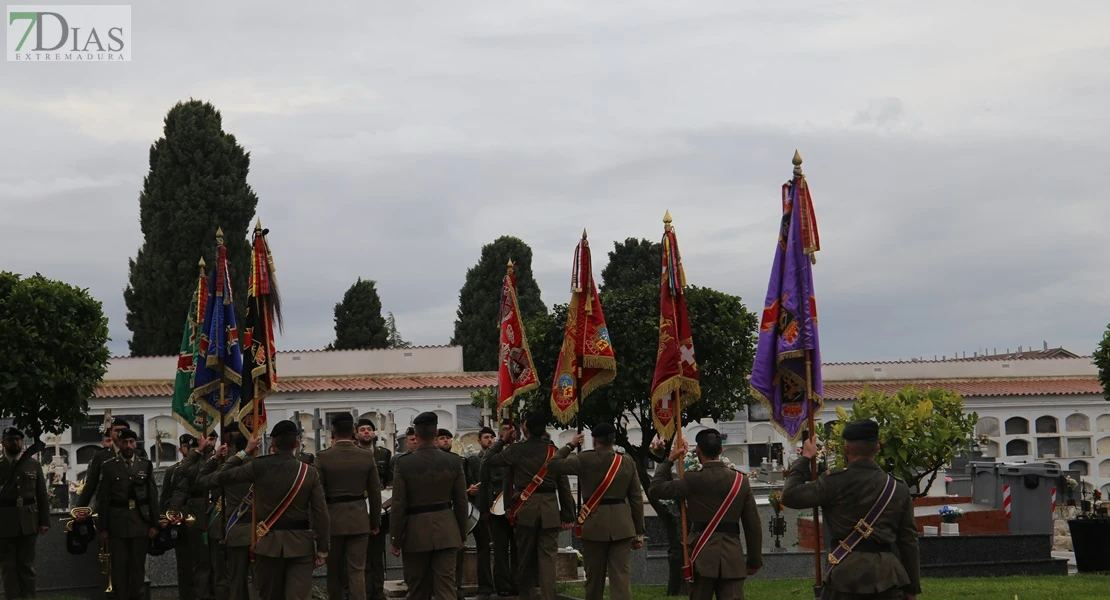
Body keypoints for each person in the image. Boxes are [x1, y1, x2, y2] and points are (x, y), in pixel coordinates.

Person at [781, 420, 921, 600]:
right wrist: (912, 588)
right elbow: (908, 540)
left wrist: (805, 458)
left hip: (844, 574)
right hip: (887, 577)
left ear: (847, 448)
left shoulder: (833, 482)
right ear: (877, 448)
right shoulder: (897, 488)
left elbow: (790, 495)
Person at [215, 420, 330, 600]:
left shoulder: (258, 466)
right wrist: (322, 549)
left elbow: (222, 476)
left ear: (273, 443)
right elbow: (321, 513)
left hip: (266, 543)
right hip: (300, 545)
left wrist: (243, 452)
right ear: (297, 443)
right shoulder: (309, 472)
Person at [650, 429, 762, 600]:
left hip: (701, 556)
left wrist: (670, 459)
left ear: (698, 452)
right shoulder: (741, 481)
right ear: (721, 450)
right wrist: (754, 560)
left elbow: (656, 489)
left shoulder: (691, 479)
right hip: (732, 557)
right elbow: (753, 525)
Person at [547, 423, 645, 600]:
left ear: (594, 440)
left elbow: (553, 465)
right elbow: (636, 498)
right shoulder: (627, 461)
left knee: (594, 580)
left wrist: (571, 445)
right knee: (621, 579)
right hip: (622, 526)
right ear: (613, 440)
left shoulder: (584, 459)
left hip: (593, 524)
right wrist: (639, 532)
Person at [483, 414, 574, 600]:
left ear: (525, 427)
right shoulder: (553, 450)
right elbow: (563, 485)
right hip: (549, 509)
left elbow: (488, 461)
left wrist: (502, 440)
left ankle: (527, 596)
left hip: (526, 509)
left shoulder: (516, 450)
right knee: (548, 560)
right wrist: (567, 515)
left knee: (525, 559)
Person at [390, 412, 469, 600]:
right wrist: (461, 534)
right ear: (436, 432)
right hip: (447, 530)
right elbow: (461, 501)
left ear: (415, 434)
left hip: (415, 533)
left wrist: (395, 538)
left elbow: (398, 503)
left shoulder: (404, 463)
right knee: (446, 588)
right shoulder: (453, 461)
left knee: (417, 588)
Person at [318, 413, 382, 600]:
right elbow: (375, 492)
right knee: (357, 571)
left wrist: (317, 525)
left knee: (334, 571)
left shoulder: (323, 457)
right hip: (359, 518)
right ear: (353, 431)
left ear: (333, 432)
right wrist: (374, 522)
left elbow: (318, 496)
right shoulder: (366, 456)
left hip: (332, 519)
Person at [96, 428, 159, 600]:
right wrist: (104, 529)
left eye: (132, 442)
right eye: (125, 442)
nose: (129, 446)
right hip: (118, 525)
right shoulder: (109, 466)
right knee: (120, 568)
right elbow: (103, 500)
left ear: (136, 444)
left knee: (138, 568)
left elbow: (152, 496)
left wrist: (155, 523)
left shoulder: (145, 464)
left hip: (140, 523)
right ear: (119, 444)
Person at [0, 427, 49, 599]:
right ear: (4, 442)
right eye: (11, 439)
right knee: (8, 567)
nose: (15, 442)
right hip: (4, 521)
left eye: (18, 440)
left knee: (27, 565)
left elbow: (42, 494)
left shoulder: (33, 464)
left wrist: (44, 521)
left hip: (29, 520)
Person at [478, 419, 518, 598]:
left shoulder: (519, 451)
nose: (507, 433)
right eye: (503, 430)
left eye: (510, 430)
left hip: (518, 507)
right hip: (496, 509)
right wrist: (485, 509)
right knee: (500, 550)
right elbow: (484, 482)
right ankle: (503, 585)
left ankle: (518, 582)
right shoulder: (493, 455)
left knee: (518, 548)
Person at [357, 417, 392, 600]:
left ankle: (377, 591)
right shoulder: (353, 454)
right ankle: (363, 590)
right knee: (361, 555)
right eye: (362, 429)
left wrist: (389, 488)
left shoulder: (383, 454)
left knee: (377, 554)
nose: (366, 432)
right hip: (359, 509)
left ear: (374, 433)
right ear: (356, 434)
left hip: (379, 508)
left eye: (368, 429)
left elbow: (390, 477)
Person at [161, 434, 199, 600]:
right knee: (184, 566)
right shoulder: (173, 471)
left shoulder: (203, 467)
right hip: (180, 524)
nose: (190, 451)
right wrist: (165, 517)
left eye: (193, 448)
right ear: (181, 449)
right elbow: (166, 497)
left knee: (202, 566)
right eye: (187, 448)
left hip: (200, 522)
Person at [469, 427, 496, 600]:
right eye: (486, 437)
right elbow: (468, 482)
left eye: (492, 437)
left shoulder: (500, 458)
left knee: (500, 549)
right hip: (480, 510)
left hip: (499, 509)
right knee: (483, 549)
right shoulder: (472, 461)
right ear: (479, 441)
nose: (490, 440)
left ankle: (504, 583)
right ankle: (485, 585)